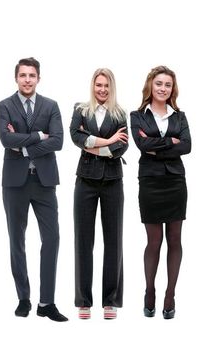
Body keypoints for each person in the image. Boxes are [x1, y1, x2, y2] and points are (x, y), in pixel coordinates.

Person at [0, 57, 68, 322]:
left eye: (32, 75)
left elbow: (59, 141)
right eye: (23, 75)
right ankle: (24, 299)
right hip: (14, 182)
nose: (27, 80)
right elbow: (6, 139)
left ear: (39, 78)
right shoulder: (4, 105)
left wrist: (23, 146)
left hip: (45, 181)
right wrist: (40, 136)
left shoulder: (51, 106)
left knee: (52, 239)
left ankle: (46, 302)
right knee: (17, 240)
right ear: (16, 78)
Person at [130, 65, 191, 320]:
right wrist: (171, 143)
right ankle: (149, 291)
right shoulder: (137, 116)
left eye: (167, 85)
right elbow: (142, 145)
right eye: (159, 84)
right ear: (150, 86)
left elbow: (187, 146)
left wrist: (157, 146)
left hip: (175, 182)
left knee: (175, 240)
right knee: (154, 241)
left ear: (172, 89)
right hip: (151, 183)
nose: (163, 88)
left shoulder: (180, 116)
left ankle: (170, 295)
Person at [69, 68, 129, 320]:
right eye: (98, 85)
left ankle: (111, 300)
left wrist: (91, 143)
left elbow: (122, 146)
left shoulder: (120, 113)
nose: (102, 89)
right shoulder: (80, 109)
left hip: (113, 181)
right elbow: (75, 136)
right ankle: (84, 300)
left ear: (111, 87)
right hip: (85, 181)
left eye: (106, 85)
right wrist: (107, 140)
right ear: (92, 86)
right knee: (83, 240)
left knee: (113, 241)